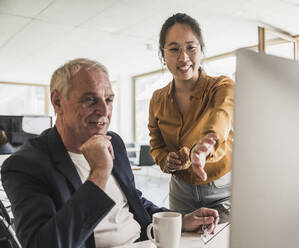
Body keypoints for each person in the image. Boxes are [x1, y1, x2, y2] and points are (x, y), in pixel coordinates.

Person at [1, 58, 219, 248]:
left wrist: (180, 220)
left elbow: (134, 202)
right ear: (58, 102)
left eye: (109, 100)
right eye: (89, 99)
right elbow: (43, 244)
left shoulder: (114, 141)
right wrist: (99, 173)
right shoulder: (24, 165)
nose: (104, 111)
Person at [148, 13, 233, 222]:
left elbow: (222, 115)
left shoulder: (221, 86)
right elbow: (156, 145)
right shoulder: (157, 99)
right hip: (180, 192)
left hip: (220, 190)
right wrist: (165, 161)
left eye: (191, 47)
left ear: (201, 49)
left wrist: (207, 145)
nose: (183, 58)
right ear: (163, 54)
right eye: (174, 49)